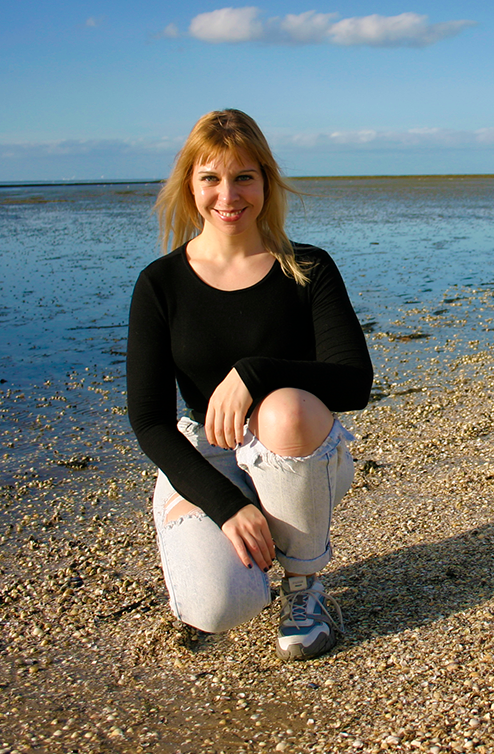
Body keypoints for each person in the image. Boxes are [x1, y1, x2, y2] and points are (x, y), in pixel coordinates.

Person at [127, 108, 373, 661]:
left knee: (285, 408)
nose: (228, 195)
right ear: (190, 185)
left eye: (243, 177)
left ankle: (305, 585)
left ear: (265, 180)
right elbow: (147, 420)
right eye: (211, 178)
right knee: (217, 609)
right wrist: (223, 505)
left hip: (296, 452)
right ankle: (220, 544)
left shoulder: (308, 268)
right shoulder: (159, 283)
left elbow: (355, 384)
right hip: (206, 455)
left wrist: (255, 372)